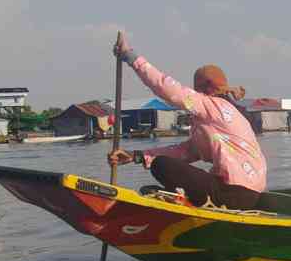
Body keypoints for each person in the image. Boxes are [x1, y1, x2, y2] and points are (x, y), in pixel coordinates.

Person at [107, 34, 266, 209]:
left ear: (203, 89)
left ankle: (181, 201)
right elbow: (185, 151)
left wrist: (131, 57)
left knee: (161, 165)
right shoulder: (220, 118)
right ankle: (183, 199)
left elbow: (167, 88)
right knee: (163, 163)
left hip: (234, 192)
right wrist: (136, 156)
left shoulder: (212, 105)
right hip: (248, 195)